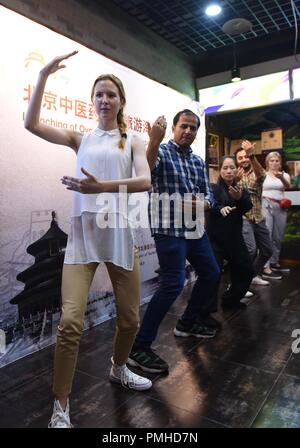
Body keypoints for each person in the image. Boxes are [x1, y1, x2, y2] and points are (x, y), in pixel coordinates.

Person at [24, 51, 152, 428]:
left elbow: (145, 181)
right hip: (83, 238)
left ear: (120, 101)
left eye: (111, 94)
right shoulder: (80, 137)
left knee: (129, 320)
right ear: (92, 101)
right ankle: (60, 407)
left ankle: (118, 368)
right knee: (70, 323)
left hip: (119, 235)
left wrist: (101, 187)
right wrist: (44, 75)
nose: (104, 100)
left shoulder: (133, 141)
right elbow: (31, 124)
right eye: (98, 94)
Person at [127, 109, 220, 374]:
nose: (188, 132)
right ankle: (139, 347)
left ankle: (188, 322)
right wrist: (154, 140)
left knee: (212, 273)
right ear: (175, 127)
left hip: (193, 228)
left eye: (193, 128)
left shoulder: (198, 161)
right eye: (184, 126)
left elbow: (208, 195)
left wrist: (203, 204)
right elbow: (146, 174)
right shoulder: (162, 151)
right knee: (173, 283)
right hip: (168, 228)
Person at [207, 156, 255, 309]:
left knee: (246, 271)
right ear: (220, 170)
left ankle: (230, 300)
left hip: (235, 238)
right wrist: (220, 208)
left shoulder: (241, 190)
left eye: (232, 167)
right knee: (213, 275)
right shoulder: (213, 188)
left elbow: (247, 206)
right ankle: (207, 312)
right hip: (215, 239)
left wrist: (239, 198)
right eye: (225, 168)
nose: (229, 171)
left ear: (237, 169)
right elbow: (209, 204)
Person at [235, 141, 279, 285]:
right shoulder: (234, 174)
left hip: (258, 217)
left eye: (245, 156)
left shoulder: (256, 172)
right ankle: (238, 282)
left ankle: (252, 275)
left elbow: (261, 175)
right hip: (243, 218)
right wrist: (235, 181)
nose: (244, 159)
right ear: (236, 160)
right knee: (251, 250)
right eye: (240, 158)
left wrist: (251, 155)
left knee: (268, 250)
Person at [262, 151, 291, 275]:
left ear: (280, 163)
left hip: (281, 206)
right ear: (267, 163)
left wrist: (281, 177)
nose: (274, 163)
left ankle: (274, 261)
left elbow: (288, 186)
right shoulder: (263, 174)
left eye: (276, 161)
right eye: (271, 160)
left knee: (278, 236)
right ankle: (265, 265)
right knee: (267, 234)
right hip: (265, 204)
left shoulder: (285, 175)